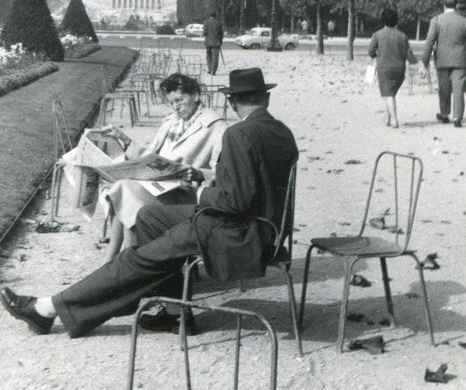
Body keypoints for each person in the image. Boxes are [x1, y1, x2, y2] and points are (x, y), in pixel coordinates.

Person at [0, 68, 299, 338]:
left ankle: (47, 309)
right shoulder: (282, 132)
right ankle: (172, 311)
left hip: (237, 232)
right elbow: (252, 190)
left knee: (136, 259)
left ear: (233, 102)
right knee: (148, 217)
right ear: (266, 98)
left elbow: (234, 201)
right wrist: (207, 181)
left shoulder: (238, 133)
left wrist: (200, 193)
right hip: (262, 228)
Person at [102, 73, 227, 262]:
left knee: (125, 190)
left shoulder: (216, 126)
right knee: (122, 187)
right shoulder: (172, 122)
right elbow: (149, 155)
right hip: (159, 188)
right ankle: (121, 260)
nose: (176, 107)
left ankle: (120, 260)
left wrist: (197, 173)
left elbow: (223, 172)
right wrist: (122, 137)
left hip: (185, 195)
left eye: (179, 100)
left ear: (195, 95)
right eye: (171, 103)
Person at [422, 0, 466, 128]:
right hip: (460, 59)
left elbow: (429, 42)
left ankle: (445, 113)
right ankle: (457, 117)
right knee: (458, 89)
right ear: (456, 5)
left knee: (444, 88)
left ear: (444, 5)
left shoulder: (436, 20)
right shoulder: (465, 21)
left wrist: (425, 60)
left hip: (442, 59)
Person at [368, 8, 417, 128]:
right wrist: (414, 63)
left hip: (384, 67)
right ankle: (387, 116)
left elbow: (371, 50)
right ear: (396, 21)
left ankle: (394, 119)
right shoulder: (402, 36)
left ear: (383, 20)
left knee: (388, 94)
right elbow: (409, 53)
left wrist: (376, 57)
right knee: (391, 93)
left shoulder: (377, 35)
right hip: (399, 68)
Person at [203, 11, 224, 75]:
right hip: (216, 42)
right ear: (215, 16)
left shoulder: (206, 22)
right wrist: (220, 41)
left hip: (208, 42)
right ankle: (213, 71)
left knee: (209, 56)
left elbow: (204, 33)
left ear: (210, 16)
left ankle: (210, 69)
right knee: (215, 57)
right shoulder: (219, 23)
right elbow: (221, 34)